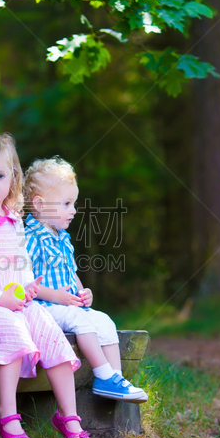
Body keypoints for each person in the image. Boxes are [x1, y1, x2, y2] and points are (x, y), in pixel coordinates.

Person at [0, 134, 92, 438]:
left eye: (0, 176)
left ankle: (69, 416)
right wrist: (1, 298)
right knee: (12, 328)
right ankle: (7, 415)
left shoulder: (12, 220)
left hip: (8, 301)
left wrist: (27, 288)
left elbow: (21, 263)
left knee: (46, 327)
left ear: (13, 178)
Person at [23, 157, 148, 404]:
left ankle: (115, 380)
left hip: (68, 306)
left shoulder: (62, 238)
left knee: (104, 320)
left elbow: (71, 273)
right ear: (40, 205)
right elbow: (24, 281)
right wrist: (56, 296)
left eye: (74, 203)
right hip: (44, 308)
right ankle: (103, 374)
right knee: (80, 320)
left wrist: (83, 292)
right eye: (66, 203)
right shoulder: (30, 238)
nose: (74, 210)